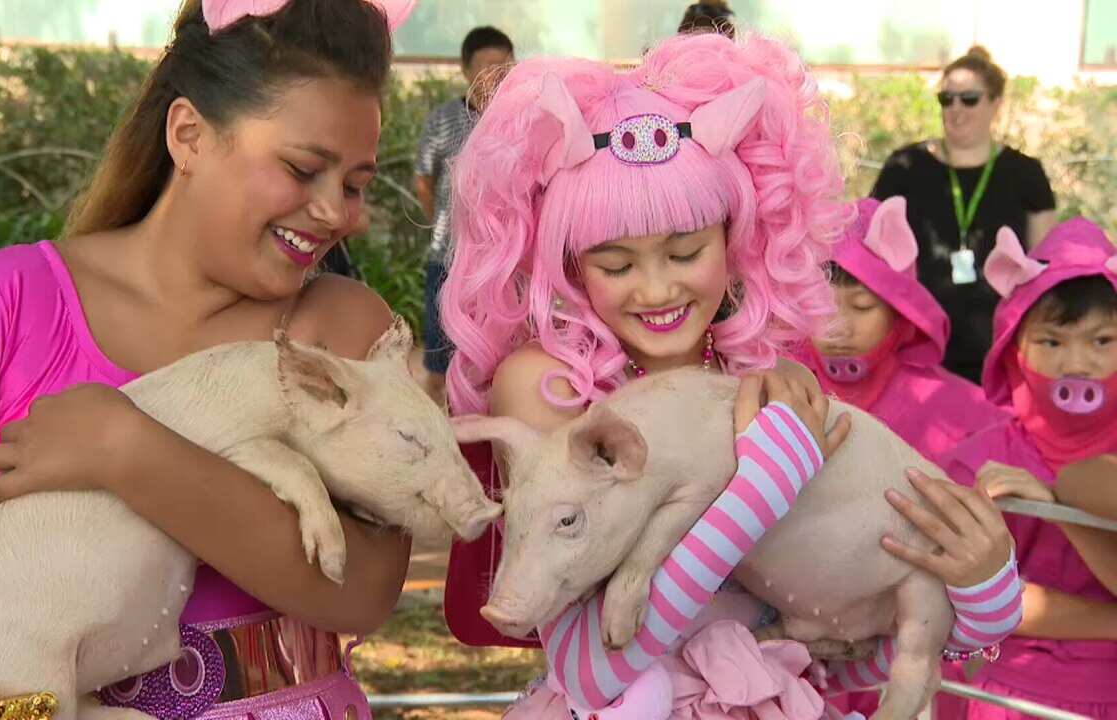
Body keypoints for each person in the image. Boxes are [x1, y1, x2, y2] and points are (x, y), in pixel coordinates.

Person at [0, 1, 417, 717]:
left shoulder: (345, 327)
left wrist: (129, 449)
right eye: (304, 169)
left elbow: (362, 590)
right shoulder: (14, 304)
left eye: (356, 185)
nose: (337, 212)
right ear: (189, 135)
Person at [441, 32, 1022, 717]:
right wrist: (760, 489)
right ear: (569, 263)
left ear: (734, 238)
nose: (655, 290)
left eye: (685, 252)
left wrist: (985, 593)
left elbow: (854, 651)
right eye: (616, 265)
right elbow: (594, 671)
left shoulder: (765, 372)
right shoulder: (548, 387)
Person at [939, 218, 1117, 719]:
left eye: (1102, 341)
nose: (1077, 363)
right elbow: (970, 593)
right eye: (1052, 342)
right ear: (1016, 350)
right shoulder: (978, 461)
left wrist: (1053, 504)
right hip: (1010, 695)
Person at [872, 46, 1056, 383]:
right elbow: (875, 253)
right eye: (947, 99)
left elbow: (1041, 267)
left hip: (998, 349)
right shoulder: (904, 167)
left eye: (969, 99)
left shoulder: (1025, 173)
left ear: (996, 103)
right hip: (919, 345)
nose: (956, 109)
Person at [797, 196, 1009, 465]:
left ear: (899, 313)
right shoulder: (779, 384)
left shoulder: (960, 408)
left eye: (862, 306)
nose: (840, 328)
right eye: (820, 307)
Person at [413, 25, 514, 403]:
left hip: (503, 263)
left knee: (498, 361)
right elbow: (423, 177)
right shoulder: (443, 119)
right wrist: (440, 224)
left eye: (504, 68)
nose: (495, 78)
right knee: (439, 362)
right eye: (487, 67)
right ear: (466, 70)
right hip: (448, 259)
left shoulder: (519, 120)